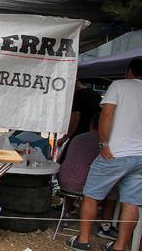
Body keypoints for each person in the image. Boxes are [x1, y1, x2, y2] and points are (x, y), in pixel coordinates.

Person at [69, 58, 142, 251]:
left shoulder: (119, 85)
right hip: (140, 156)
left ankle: (83, 241)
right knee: (131, 202)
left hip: (116, 152)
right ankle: (119, 247)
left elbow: (107, 113)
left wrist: (103, 143)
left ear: (128, 72)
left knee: (91, 195)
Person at [58, 113, 118, 240]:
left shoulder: (78, 138)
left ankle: (66, 212)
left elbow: (65, 160)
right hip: (85, 187)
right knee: (112, 190)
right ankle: (105, 226)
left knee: (76, 174)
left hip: (65, 183)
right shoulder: (107, 145)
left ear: (91, 124)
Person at [57, 80, 102, 148]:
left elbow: (75, 119)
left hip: (79, 136)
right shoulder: (97, 95)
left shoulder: (78, 95)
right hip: (94, 137)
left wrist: (64, 138)